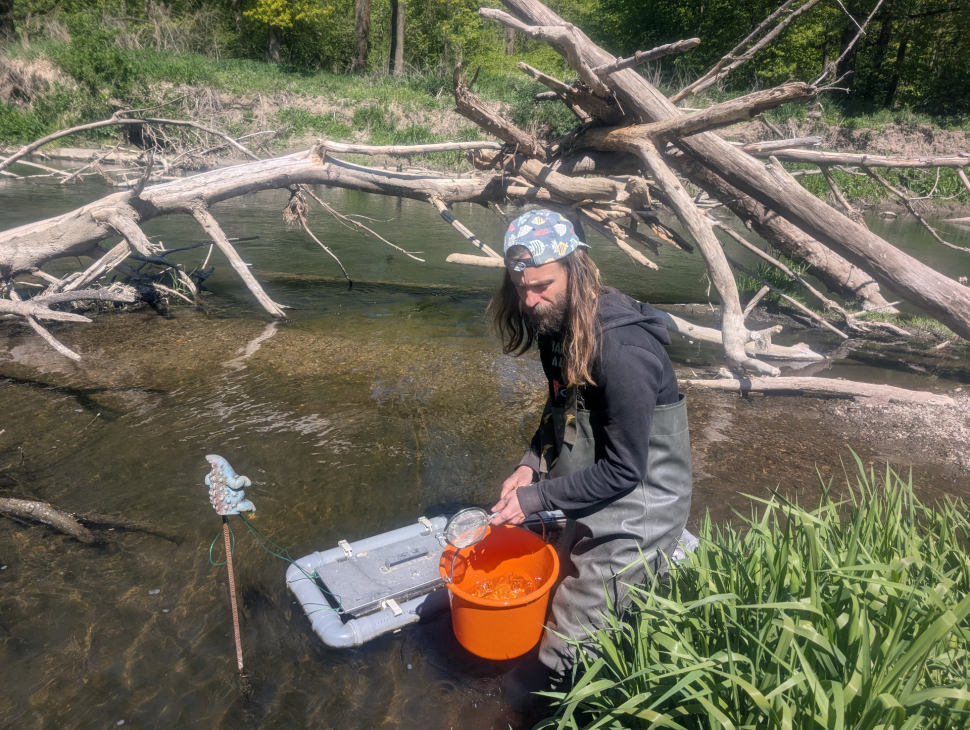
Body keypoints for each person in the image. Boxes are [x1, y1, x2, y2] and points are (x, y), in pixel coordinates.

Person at [487, 208, 693, 702]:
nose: (531, 300)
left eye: (542, 285)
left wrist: (537, 500)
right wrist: (528, 464)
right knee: (545, 591)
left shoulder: (623, 347)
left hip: (641, 504)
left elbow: (626, 469)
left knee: (550, 663)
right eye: (521, 288)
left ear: (575, 268)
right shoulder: (555, 323)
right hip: (594, 489)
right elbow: (561, 404)